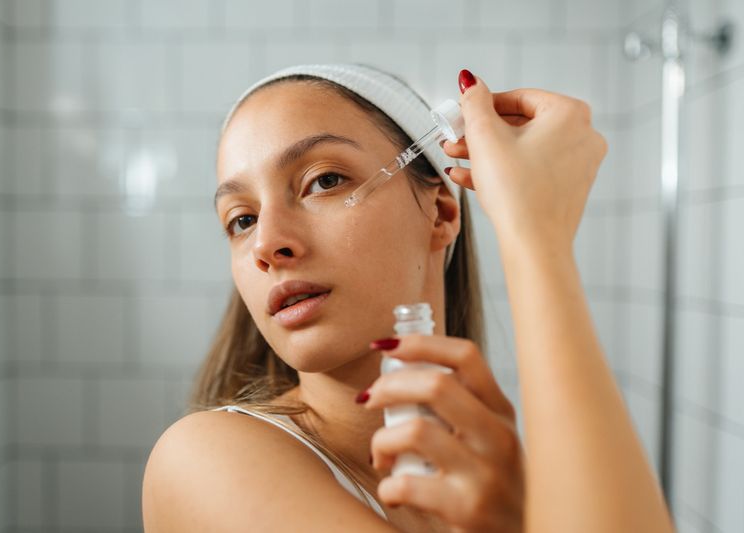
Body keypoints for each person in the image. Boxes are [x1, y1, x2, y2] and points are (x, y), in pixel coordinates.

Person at [141, 64, 674, 533]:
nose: (266, 244)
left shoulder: (499, 487)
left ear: (441, 212)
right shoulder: (205, 463)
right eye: (242, 220)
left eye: (323, 180)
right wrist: (536, 233)